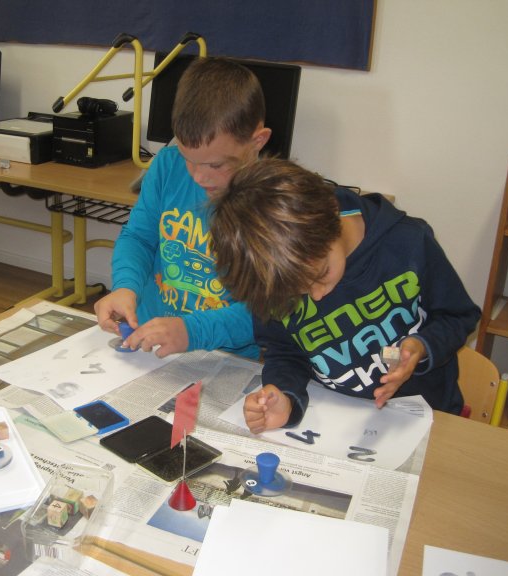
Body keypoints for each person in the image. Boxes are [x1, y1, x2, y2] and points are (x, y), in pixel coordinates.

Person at [208, 158, 481, 433]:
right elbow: (285, 351)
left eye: (322, 274)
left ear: (331, 223)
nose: (316, 296)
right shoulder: (273, 275)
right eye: (297, 293)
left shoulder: (408, 243)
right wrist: (285, 396)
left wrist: (422, 346)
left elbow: (458, 316)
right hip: (336, 425)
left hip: (427, 420)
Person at [94, 58, 272, 359]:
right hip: (152, 343)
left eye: (216, 164)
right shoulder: (166, 164)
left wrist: (191, 331)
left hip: (224, 356)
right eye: (189, 158)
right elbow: (138, 238)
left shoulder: (275, 204)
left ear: (257, 141)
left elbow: (270, 311)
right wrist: (125, 286)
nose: (198, 176)